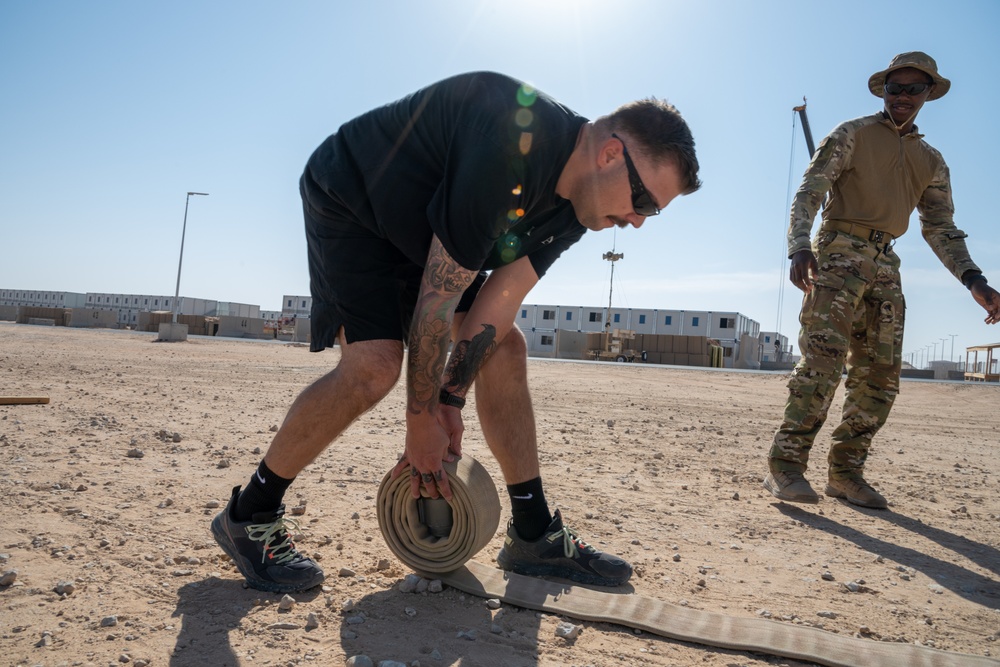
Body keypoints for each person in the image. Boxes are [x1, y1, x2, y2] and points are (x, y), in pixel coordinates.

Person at [211, 71, 701, 593]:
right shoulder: (509, 145)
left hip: (426, 233)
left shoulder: (579, 209)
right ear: (609, 155)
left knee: (505, 348)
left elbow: (501, 298)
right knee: (374, 368)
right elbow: (437, 303)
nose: (638, 221)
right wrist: (420, 420)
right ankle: (250, 514)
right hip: (353, 203)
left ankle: (532, 534)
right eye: (644, 202)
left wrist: (449, 399)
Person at [764, 52, 1000, 509]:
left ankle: (846, 473)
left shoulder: (930, 160)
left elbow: (941, 227)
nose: (904, 97)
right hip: (835, 256)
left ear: (928, 94)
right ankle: (786, 466)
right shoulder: (852, 134)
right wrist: (799, 245)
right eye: (896, 88)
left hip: (886, 266)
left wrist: (974, 280)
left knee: (880, 378)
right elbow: (810, 191)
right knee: (822, 366)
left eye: (914, 89)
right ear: (883, 91)